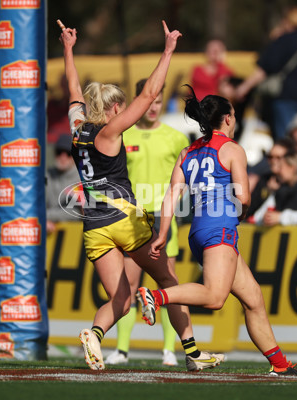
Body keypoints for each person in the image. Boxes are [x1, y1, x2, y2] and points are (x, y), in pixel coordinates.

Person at [60, 21, 223, 372]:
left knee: (120, 298)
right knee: (167, 281)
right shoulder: (109, 132)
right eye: (119, 106)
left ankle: (95, 334)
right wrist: (167, 52)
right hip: (124, 220)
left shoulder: (77, 129)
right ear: (112, 109)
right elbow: (149, 95)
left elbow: (73, 89)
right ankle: (193, 353)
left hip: (93, 225)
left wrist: (68, 49)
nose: (122, 110)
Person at [139, 87, 297, 376]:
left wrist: (163, 234)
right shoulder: (231, 148)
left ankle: (280, 364)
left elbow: (170, 197)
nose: (235, 119)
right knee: (215, 298)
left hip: (198, 230)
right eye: (235, 115)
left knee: (253, 298)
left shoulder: (187, 151)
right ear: (227, 119)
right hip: (220, 229)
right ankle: (156, 297)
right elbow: (244, 197)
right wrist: (240, 213)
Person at [104, 78, 190, 367]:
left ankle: (169, 350)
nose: (152, 108)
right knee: (127, 283)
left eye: (157, 102)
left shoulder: (176, 137)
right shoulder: (123, 135)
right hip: (131, 219)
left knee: (168, 283)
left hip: (164, 220)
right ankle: (122, 349)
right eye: (148, 102)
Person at [234, 6, 297, 140]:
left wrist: (243, 87)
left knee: (284, 140)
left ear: (287, 21)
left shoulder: (283, 40)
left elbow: (263, 69)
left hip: (286, 96)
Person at [251, 152, 297, 226]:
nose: (277, 171)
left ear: (293, 168)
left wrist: (281, 217)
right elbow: (257, 217)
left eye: (280, 167)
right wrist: (266, 218)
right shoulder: (279, 192)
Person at [246, 137, 296, 219]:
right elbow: (250, 211)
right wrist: (268, 192)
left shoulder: (296, 180)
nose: (273, 161)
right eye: (270, 157)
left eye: (278, 157)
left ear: (290, 158)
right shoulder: (264, 179)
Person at [45, 134, 82, 234]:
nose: (63, 157)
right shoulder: (47, 175)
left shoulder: (82, 179)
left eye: (68, 153)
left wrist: (44, 216)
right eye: (59, 152)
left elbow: (77, 213)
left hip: (75, 238)